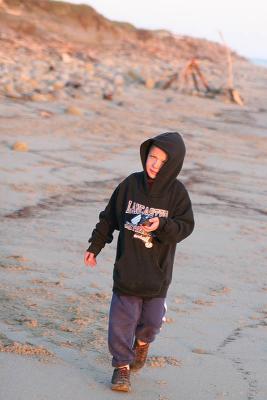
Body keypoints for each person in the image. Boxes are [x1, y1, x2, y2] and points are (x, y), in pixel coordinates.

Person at [84, 132, 194, 392]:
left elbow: (185, 227)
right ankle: (121, 367)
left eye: (162, 161)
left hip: (157, 274)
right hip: (128, 270)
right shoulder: (130, 185)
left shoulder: (177, 194)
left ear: (173, 165)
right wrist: (95, 246)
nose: (154, 164)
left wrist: (162, 224)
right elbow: (109, 217)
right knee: (122, 320)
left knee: (151, 322)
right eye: (152, 157)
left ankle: (143, 343)